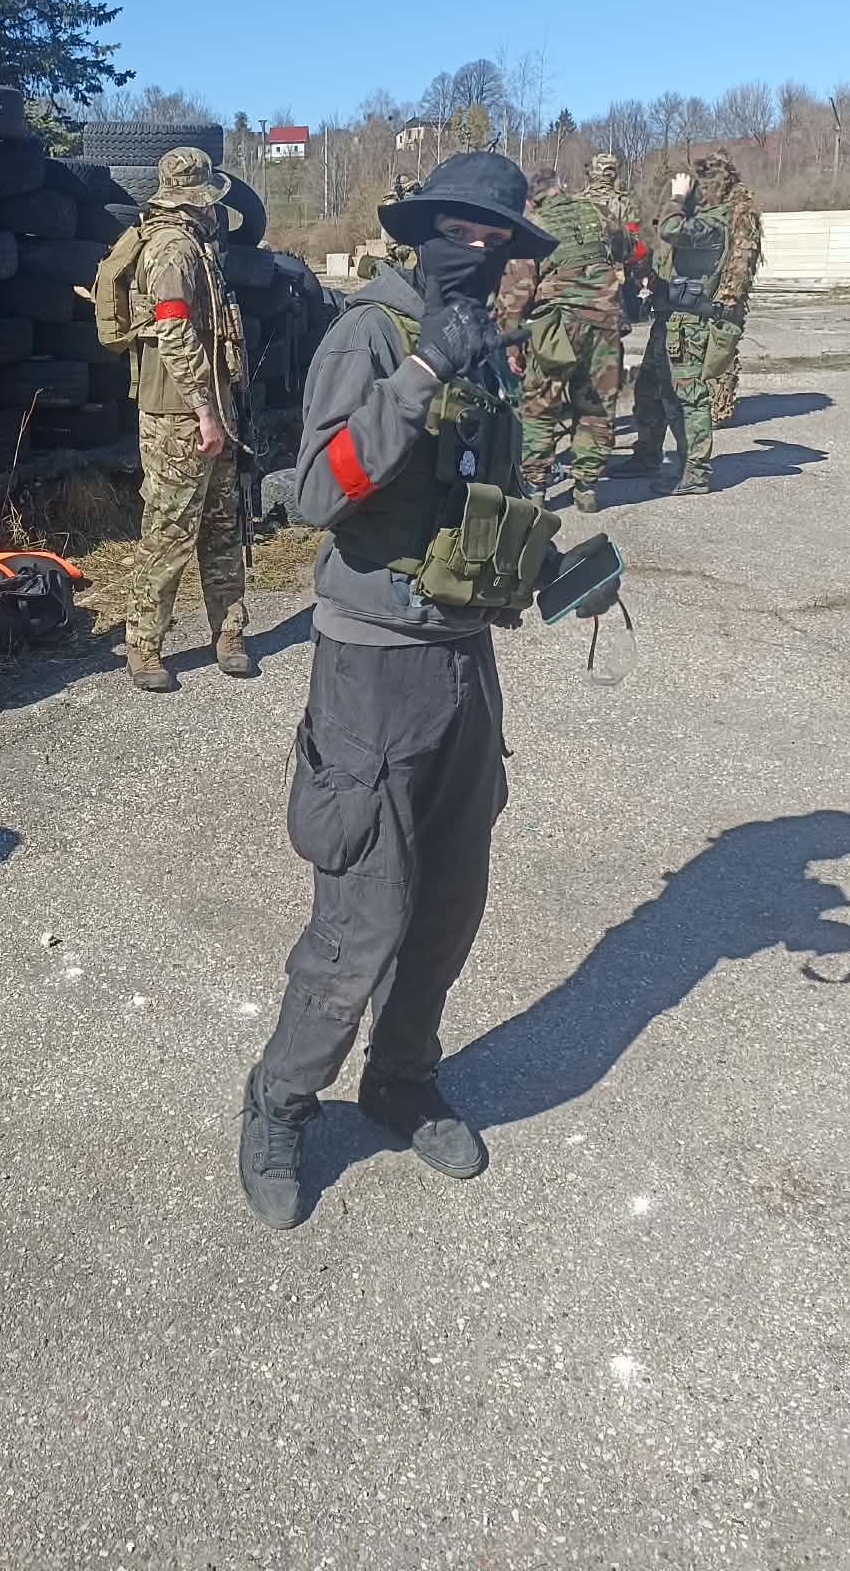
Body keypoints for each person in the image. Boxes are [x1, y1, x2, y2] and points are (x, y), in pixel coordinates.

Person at [238, 152, 619, 1229]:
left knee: (449, 898)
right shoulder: (371, 333)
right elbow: (321, 493)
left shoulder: (483, 341)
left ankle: (399, 1079)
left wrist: (547, 568)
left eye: (499, 238)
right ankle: (278, 1102)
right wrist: (414, 378)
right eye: (462, 230)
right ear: (422, 230)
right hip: (370, 665)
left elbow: (482, 494)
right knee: (363, 914)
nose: (482, 250)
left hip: (462, 657)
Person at [123, 146, 251, 691]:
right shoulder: (172, 250)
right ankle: (144, 644)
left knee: (222, 524)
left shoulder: (196, 245)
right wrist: (204, 412)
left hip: (212, 407)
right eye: (210, 200)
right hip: (181, 415)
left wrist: (219, 409)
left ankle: (229, 632)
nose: (215, 209)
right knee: (170, 529)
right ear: (196, 200)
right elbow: (173, 332)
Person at [498, 165, 631, 513]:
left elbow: (516, 293)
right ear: (562, 186)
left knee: (541, 406)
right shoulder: (597, 211)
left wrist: (512, 345)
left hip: (557, 328)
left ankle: (536, 490)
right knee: (596, 405)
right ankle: (587, 488)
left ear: (531, 198)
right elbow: (626, 247)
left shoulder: (532, 225)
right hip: (605, 322)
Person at [615, 162, 734, 493]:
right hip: (668, 319)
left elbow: (670, 229)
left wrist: (678, 197)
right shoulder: (696, 221)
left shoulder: (714, 224)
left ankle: (695, 471)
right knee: (648, 389)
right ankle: (647, 455)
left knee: (687, 397)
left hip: (688, 325)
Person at [703, 155, 763, 426]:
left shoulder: (741, 209)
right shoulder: (713, 207)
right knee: (705, 350)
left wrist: (729, 296)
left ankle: (718, 408)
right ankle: (702, 402)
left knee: (722, 350)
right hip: (708, 292)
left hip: (727, 296)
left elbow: (744, 256)